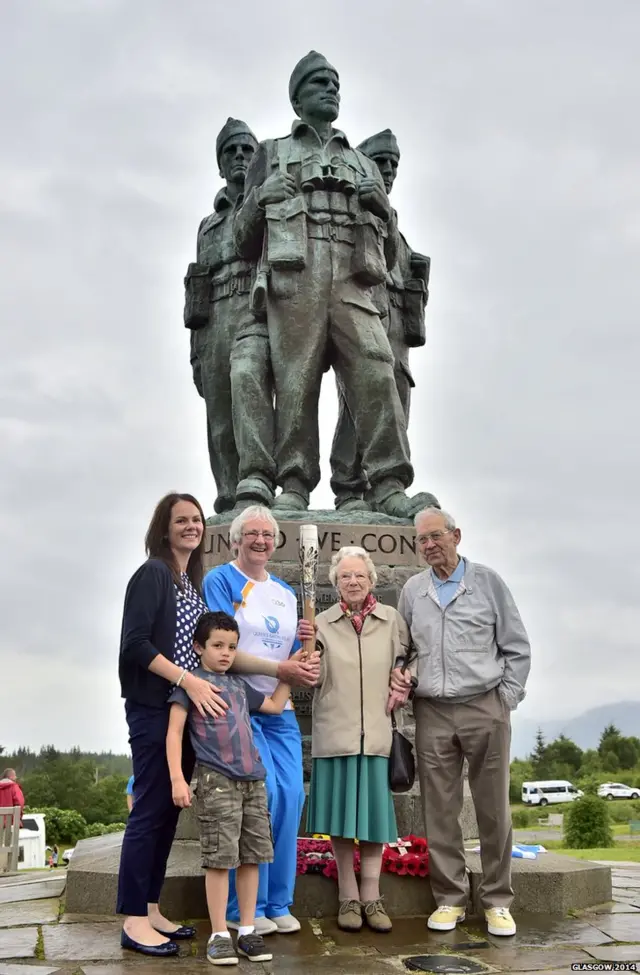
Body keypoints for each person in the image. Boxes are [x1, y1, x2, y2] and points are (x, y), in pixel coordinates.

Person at [233, 51, 434, 518]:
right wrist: (261, 198)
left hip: (351, 279)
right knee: (296, 380)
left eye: (335, 83)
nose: (330, 89)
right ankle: (295, 484)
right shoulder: (273, 151)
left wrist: (382, 208)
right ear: (297, 98)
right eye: (319, 82)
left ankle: (386, 483)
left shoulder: (363, 163)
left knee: (377, 369)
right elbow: (244, 241)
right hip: (295, 276)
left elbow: (387, 257)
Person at [116, 492, 318, 958]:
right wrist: (189, 680)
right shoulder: (153, 573)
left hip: (190, 702)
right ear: (163, 529)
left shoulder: (189, 581)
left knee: (166, 815)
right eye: (180, 520)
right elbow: (135, 645)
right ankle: (131, 917)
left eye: (196, 520)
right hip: (155, 704)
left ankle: (150, 907)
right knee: (148, 811)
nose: (191, 526)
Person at [391, 507, 531, 937]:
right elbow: (404, 648)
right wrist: (403, 672)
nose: (429, 545)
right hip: (432, 711)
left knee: (492, 810)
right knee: (440, 810)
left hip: (485, 706)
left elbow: (516, 646)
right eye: (422, 540)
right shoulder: (413, 590)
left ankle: (496, 901)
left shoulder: (487, 582)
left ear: (456, 535)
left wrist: (503, 700)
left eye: (436, 536)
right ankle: (450, 898)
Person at [203, 505, 315, 935]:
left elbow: (294, 657)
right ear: (236, 539)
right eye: (252, 533)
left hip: (278, 711)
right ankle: (239, 908)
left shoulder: (286, 593)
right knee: (259, 794)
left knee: (290, 794)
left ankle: (277, 901)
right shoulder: (222, 581)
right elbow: (220, 650)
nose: (261, 541)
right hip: (237, 707)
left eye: (268, 535)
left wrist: (293, 675)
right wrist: (279, 674)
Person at [167, 611, 293, 966]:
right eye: (217, 645)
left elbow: (273, 706)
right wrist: (178, 777)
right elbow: (174, 732)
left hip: (253, 781)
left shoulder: (239, 685)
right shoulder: (190, 685)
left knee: (252, 855)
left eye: (232, 647)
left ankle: (248, 929)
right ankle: (220, 933)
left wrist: (288, 673)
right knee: (221, 859)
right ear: (198, 647)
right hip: (216, 780)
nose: (225, 653)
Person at [299, 546, 412, 934]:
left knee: (375, 823)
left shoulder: (391, 619)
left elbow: (410, 659)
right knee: (342, 822)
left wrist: (405, 677)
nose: (352, 582)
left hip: (377, 733)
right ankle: (348, 896)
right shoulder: (321, 625)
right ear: (335, 583)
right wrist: (306, 658)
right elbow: (309, 675)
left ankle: (372, 896)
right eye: (345, 576)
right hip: (336, 733)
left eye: (359, 576)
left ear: (371, 580)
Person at [330, 129, 430, 510]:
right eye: (380, 162)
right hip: (360, 321)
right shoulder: (353, 220)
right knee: (357, 407)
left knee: (395, 408)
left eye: (393, 164)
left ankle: (379, 490)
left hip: (397, 337)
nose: (387, 170)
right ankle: (349, 486)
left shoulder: (397, 234)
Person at [186, 118, 276, 512]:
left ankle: (257, 486)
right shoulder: (208, 225)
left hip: (254, 311)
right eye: (230, 151)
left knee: (247, 385)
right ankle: (228, 497)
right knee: (220, 418)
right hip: (214, 322)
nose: (239, 156)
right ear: (220, 164)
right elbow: (197, 288)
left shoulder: (270, 203)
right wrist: (196, 353)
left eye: (246, 150)